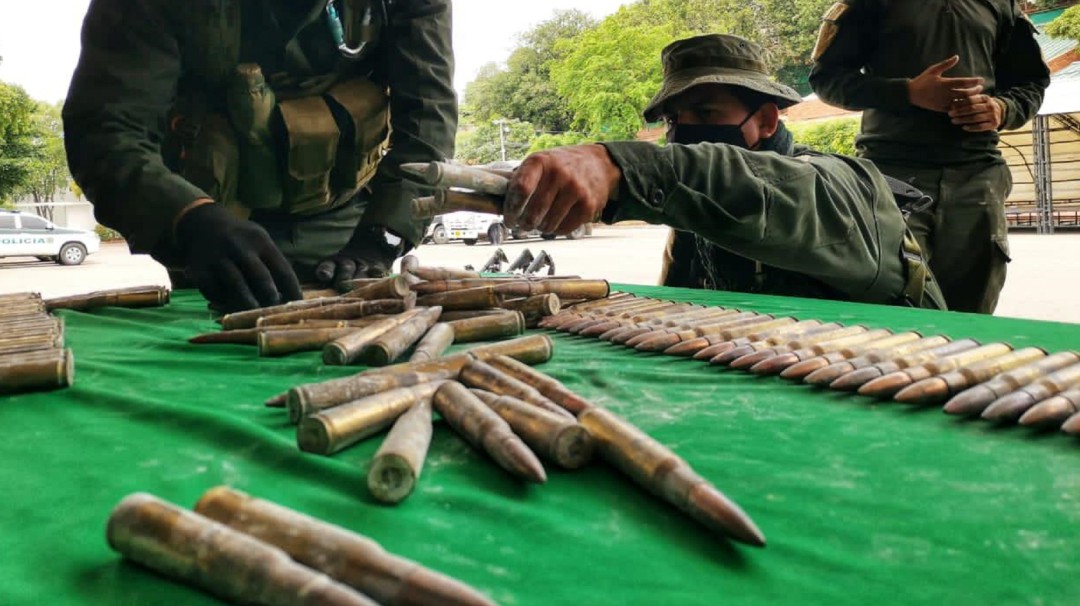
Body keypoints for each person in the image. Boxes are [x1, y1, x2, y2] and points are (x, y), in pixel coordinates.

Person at [64, 0, 457, 312]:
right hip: (211, 228)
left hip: (347, 229)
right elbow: (106, 130)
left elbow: (427, 121)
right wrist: (186, 218)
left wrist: (382, 237)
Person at [502, 33, 945, 310]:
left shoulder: (837, 185)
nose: (684, 131)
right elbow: (683, 298)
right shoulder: (699, 209)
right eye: (675, 120)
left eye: (705, 110)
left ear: (767, 121)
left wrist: (615, 165)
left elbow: (758, 189)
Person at [809, 0, 1049, 313]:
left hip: (978, 175)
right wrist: (907, 92)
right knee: (888, 305)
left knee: (972, 314)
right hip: (891, 176)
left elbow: (1030, 81)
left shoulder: (1002, 4)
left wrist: (1002, 109)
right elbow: (827, 79)